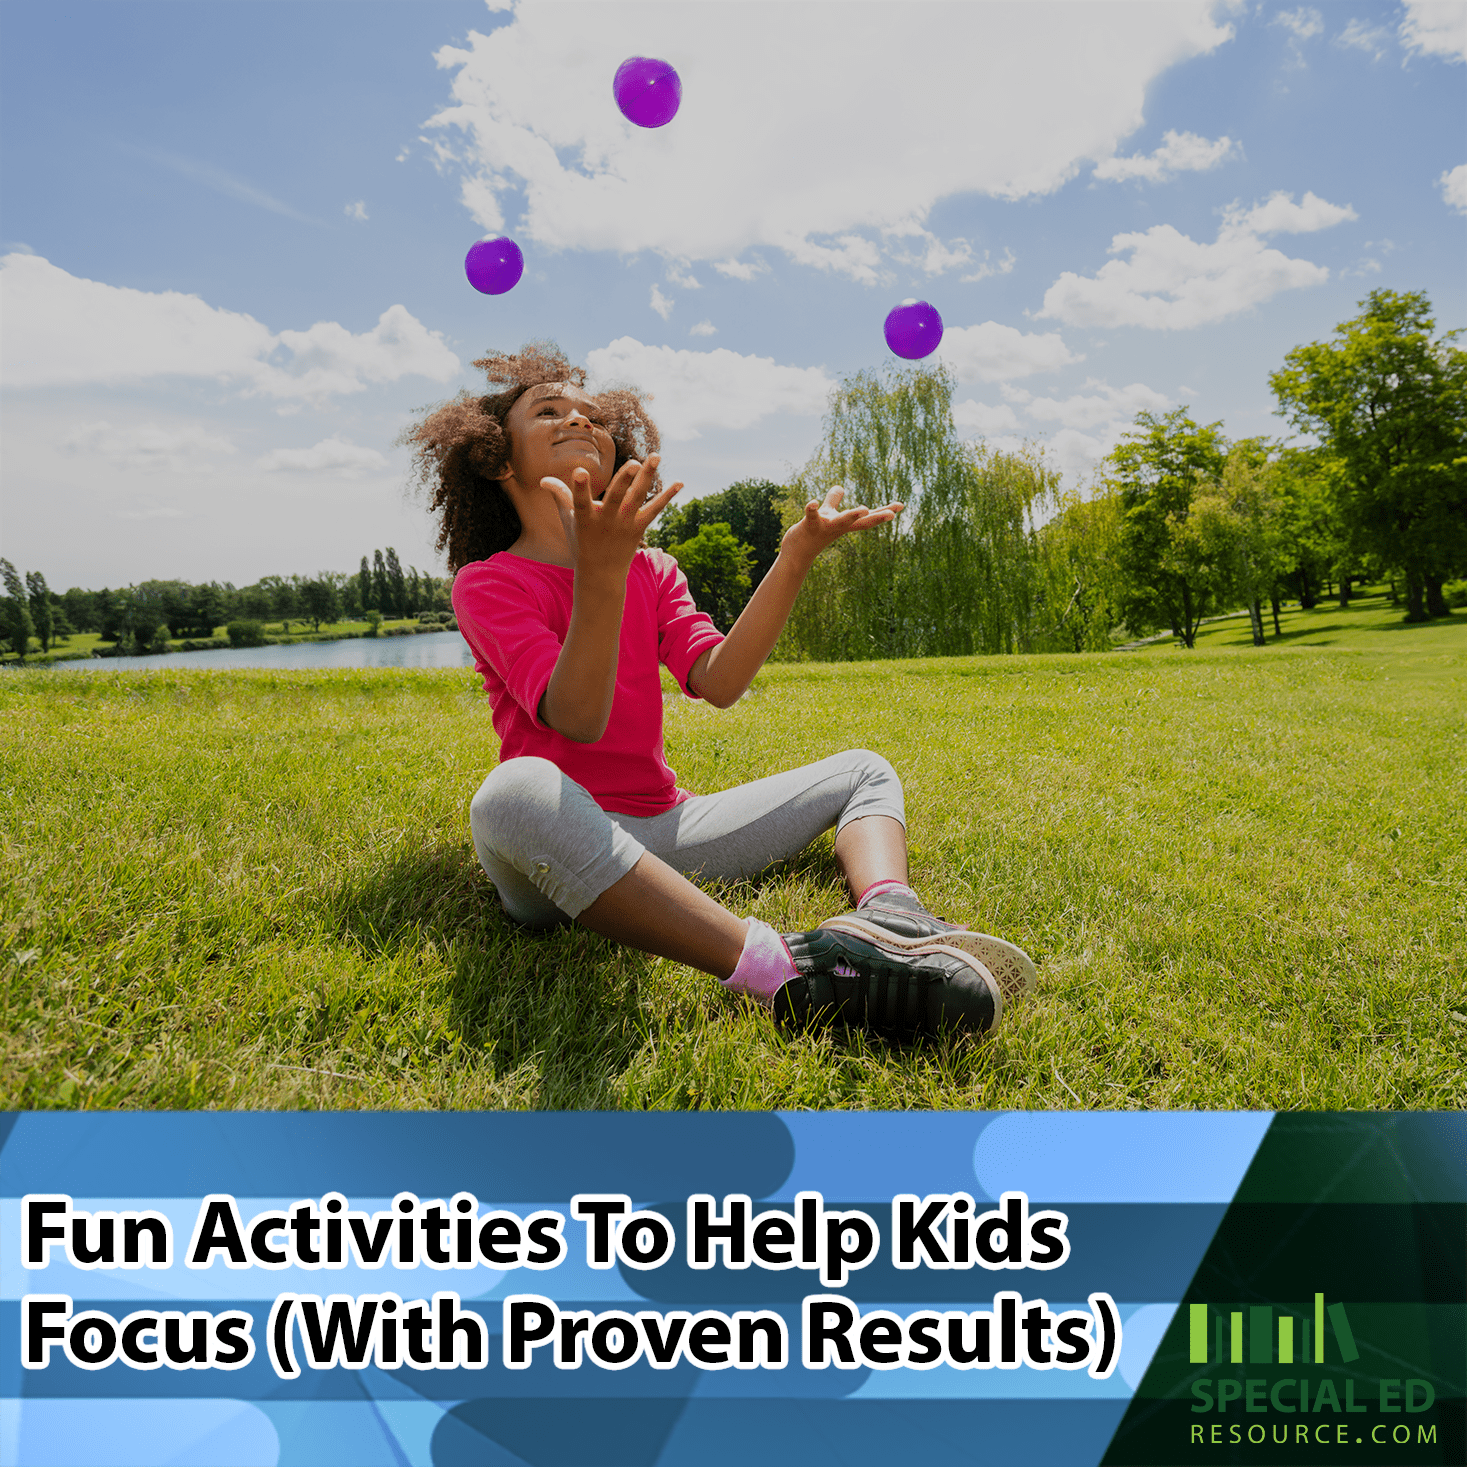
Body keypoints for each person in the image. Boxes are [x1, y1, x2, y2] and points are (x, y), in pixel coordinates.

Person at [401, 343, 1034, 1040]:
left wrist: (792, 558)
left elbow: (719, 679)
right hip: (554, 857)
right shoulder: (489, 582)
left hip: (665, 830)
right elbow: (575, 718)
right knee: (510, 793)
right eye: (548, 410)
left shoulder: (654, 569)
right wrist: (601, 573)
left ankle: (892, 914)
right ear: (498, 457)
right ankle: (784, 970)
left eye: (591, 414)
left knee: (864, 769)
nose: (578, 418)